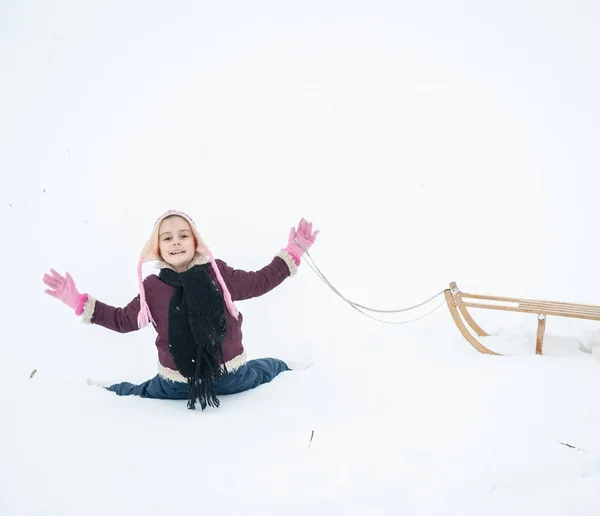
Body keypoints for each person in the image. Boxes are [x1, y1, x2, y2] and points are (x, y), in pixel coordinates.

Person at [42, 210, 319, 410]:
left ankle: (290, 367)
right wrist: (80, 302)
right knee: (134, 393)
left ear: (196, 242)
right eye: (167, 238)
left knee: (268, 368)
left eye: (183, 235)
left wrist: (292, 253)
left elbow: (259, 282)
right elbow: (123, 320)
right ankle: (101, 393)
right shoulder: (152, 287)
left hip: (232, 376)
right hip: (177, 384)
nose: (176, 241)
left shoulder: (217, 274)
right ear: (158, 249)